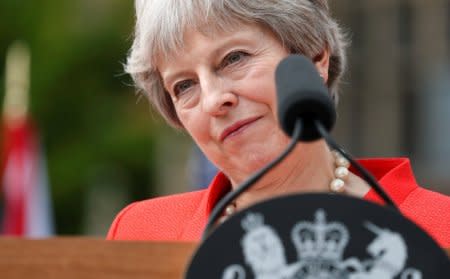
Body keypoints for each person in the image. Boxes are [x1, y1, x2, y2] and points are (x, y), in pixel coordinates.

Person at [107, 0, 450, 247]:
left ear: (315, 57)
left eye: (234, 59)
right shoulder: (139, 233)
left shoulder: (439, 226)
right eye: (184, 86)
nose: (213, 100)